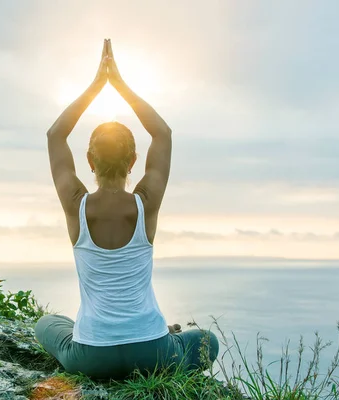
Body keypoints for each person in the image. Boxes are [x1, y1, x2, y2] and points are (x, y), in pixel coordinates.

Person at [35, 39, 218, 380]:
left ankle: (96, 338)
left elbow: (55, 136)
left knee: (47, 324)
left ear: (89, 161)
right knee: (208, 341)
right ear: (134, 160)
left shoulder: (76, 205)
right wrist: (119, 84)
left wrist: (96, 86)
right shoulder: (145, 203)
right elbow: (162, 134)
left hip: (92, 356)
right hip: (153, 351)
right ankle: (167, 335)